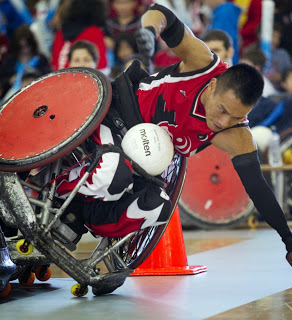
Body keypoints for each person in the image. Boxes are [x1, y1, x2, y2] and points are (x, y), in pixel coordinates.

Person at [57, 4, 292, 266]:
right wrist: (148, 30)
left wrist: (288, 239)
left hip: (143, 162)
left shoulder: (237, 134)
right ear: (213, 85)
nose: (222, 122)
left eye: (236, 117)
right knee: (112, 173)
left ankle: (83, 218)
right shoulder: (202, 64)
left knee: (157, 206)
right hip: (117, 116)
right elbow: (163, 15)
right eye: (222, 109)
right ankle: (58, 194)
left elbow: (258, 188)